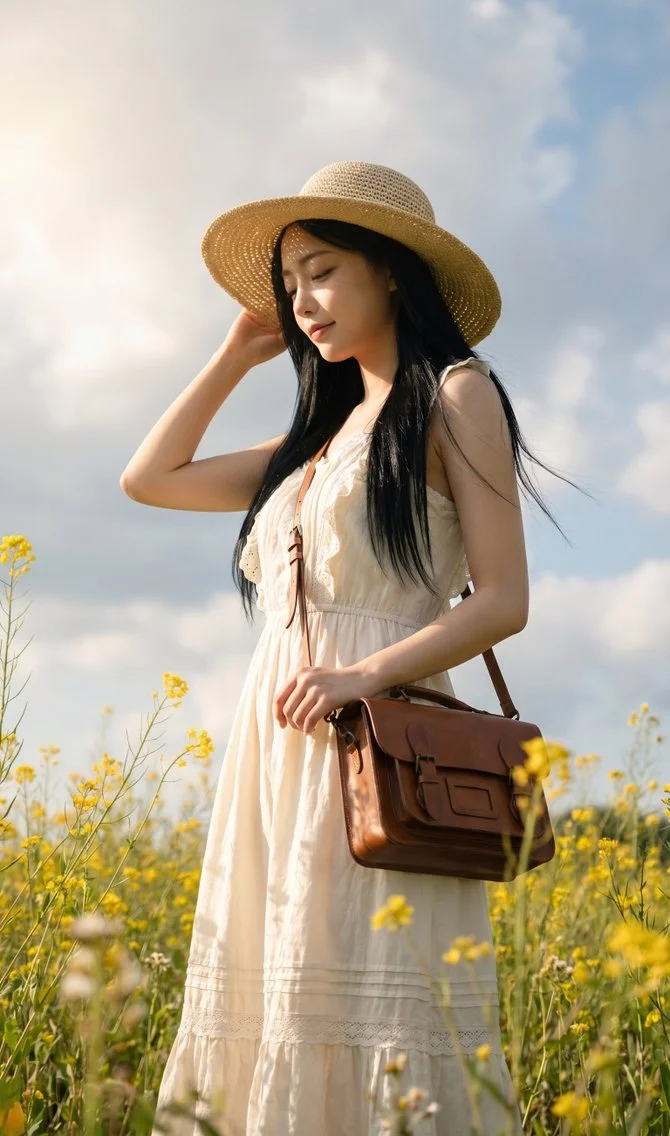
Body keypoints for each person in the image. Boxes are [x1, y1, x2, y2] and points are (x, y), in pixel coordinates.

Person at [122, 161, 567, 1135]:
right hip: (276, 747)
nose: (300, 302)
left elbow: (504, 599)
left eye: (320, 271)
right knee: (272, 995)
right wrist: (237, 351)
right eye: (288, 285)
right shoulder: (319, 441)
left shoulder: (456, 396)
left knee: (365, 1004)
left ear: (393, 272)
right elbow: (148, 479)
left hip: (373, 740)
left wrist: (359, 676)